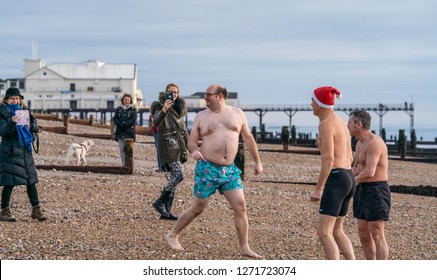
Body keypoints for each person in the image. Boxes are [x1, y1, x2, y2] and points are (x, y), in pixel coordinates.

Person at [166, 84, 264, 259]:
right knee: (198, 207)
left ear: (220, 96)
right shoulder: (201, 116)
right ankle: (172, 234)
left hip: (230, 170)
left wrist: (258, 162)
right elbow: (191, 142)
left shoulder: (237, 114)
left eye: (208, 94)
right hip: (207, 167)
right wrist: (194, 151)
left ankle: (245, 247)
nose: (205, 97)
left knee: (240, 206)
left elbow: (248, 138)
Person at [310, 86, 355, 260]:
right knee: (337, 230)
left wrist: (319, 188)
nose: (311, 104)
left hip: (337, 177)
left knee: (324, 232)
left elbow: (328, 159)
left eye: (313, 100)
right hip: (348, 176)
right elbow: (350, 156)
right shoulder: (341, 122)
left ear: (320, 104)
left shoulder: (326, 124)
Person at [348, 110, 390, 260]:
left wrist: (350, 181)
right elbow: (357, 168)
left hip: (376, 189)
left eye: (350, 123)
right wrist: (343, 175)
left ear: (358, 124)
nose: (348, 126)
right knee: (363, 233)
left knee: (376, 232)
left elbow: (369, 171)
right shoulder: (359, 143)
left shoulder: (375, 143)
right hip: (361, 189)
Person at [0, 87, 47, 222]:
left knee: (30, 180)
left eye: (17, 98)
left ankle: (36, 209)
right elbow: (3, 132)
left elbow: (34, 124)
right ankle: (4, 211)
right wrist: (12, 121)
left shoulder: (24, 109)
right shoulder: (2, 112)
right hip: (10, 151)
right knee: (9, 181)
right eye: (12, 98)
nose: (15, 100)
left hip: (25, 149)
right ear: (6, 100)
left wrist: (30, 125)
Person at [151, 83, 188, 220]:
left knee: (174, 177)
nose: (174, 94)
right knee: (179, 175)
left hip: (179, 147)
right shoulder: (158, 106)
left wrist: (191, 147)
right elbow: (155, 122)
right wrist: (164, 109)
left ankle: (166, 212)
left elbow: (183, 130)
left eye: (176, 92)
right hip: (167, 146)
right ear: (166, 92)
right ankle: (160, 202)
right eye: (171, 92)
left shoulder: (180, 108)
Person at [113, 93, 137, 166]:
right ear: (123, 100)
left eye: (128, 100)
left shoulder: (133, 109)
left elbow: (133, 120)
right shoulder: (119, 109)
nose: (127, 101)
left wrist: (124, 124)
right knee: (121, 149)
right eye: (125, 100)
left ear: (130, 101)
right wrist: (119, 124)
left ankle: (129, 164)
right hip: (120, 132)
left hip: (129, 133)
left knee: (129, 150)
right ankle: (123, 163)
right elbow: (115, 118)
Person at [149, 95, 162, 171]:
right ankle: (160, 166)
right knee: (158, 150)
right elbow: (151, 122)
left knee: (161, 150)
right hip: (156, 132)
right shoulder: (154, 112)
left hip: (161, 132)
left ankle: (162, 166)